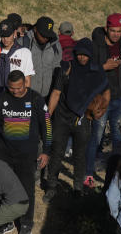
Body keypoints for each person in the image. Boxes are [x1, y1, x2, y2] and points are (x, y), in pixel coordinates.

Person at [0, 70, 51, 234]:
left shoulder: (36, 99)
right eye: (12, 88)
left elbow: (47, 127)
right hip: (4, 153)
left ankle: (26, 224)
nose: (16, 91)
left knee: (26, 190)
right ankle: (6, 222)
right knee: (3, 189)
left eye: (19, 88)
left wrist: (46, 151)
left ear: (25, 84)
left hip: (27, 156)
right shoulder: (0, 101)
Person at [45, 38, 109, 199]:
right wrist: (47, 117)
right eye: (79, 54)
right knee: (57, 152)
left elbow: (106, 89)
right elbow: (56, 93)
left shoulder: (96, 72)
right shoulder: (66, 69)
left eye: (85, 55)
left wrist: (102, 108)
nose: (82, 57)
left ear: (91, 56)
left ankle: (78, 188)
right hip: (62, 116)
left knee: (80, 155)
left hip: (82, 118)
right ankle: (51, 186)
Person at [90, 13, 121, 179]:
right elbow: (89, 70)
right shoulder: (96, 45)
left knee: (119, 133)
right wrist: (105, 66)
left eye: (119, 31)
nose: (116, 34)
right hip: (102, 96)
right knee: (98, 132)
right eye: (113, 30)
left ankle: (118, 167)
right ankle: (92, 164)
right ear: (106, 28)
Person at [0, 19, 34, 94]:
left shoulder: (24, 52)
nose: (5, 39)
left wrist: (25, 98)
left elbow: (27, 80)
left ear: (15, 33)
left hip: (16, 95)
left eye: (8, 35)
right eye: (3, 36)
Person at [22, 16, 62, 100]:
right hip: (28, 96)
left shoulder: (55, 44)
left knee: (46, 114)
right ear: (35, 29)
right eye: (43, 35)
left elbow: (57, 66)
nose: (46, 38)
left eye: (48, 35)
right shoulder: (23, 42)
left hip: (47, 97)